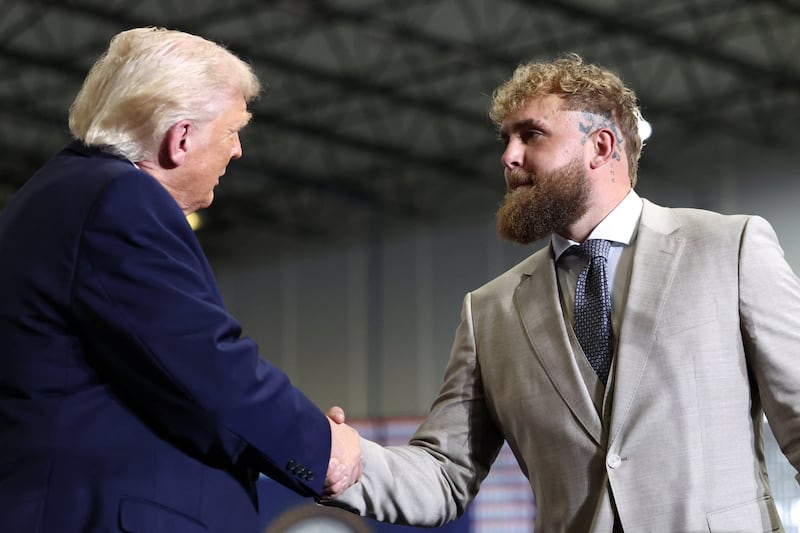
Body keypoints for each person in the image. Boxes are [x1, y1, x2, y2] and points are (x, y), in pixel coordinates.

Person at [323, 53, 800, 532]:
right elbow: (444, 474)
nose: (509, 156)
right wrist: (338, 458)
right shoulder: (488, 313)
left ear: (601, 146)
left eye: (531, 135)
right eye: (506, 139)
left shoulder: (728, 249)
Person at [0, 27, 361, 533]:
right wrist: (322, 447)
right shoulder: (117, 199)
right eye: (234, 129)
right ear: (182, 137)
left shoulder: (63, 194)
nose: (237, 150)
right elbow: (204, 369)